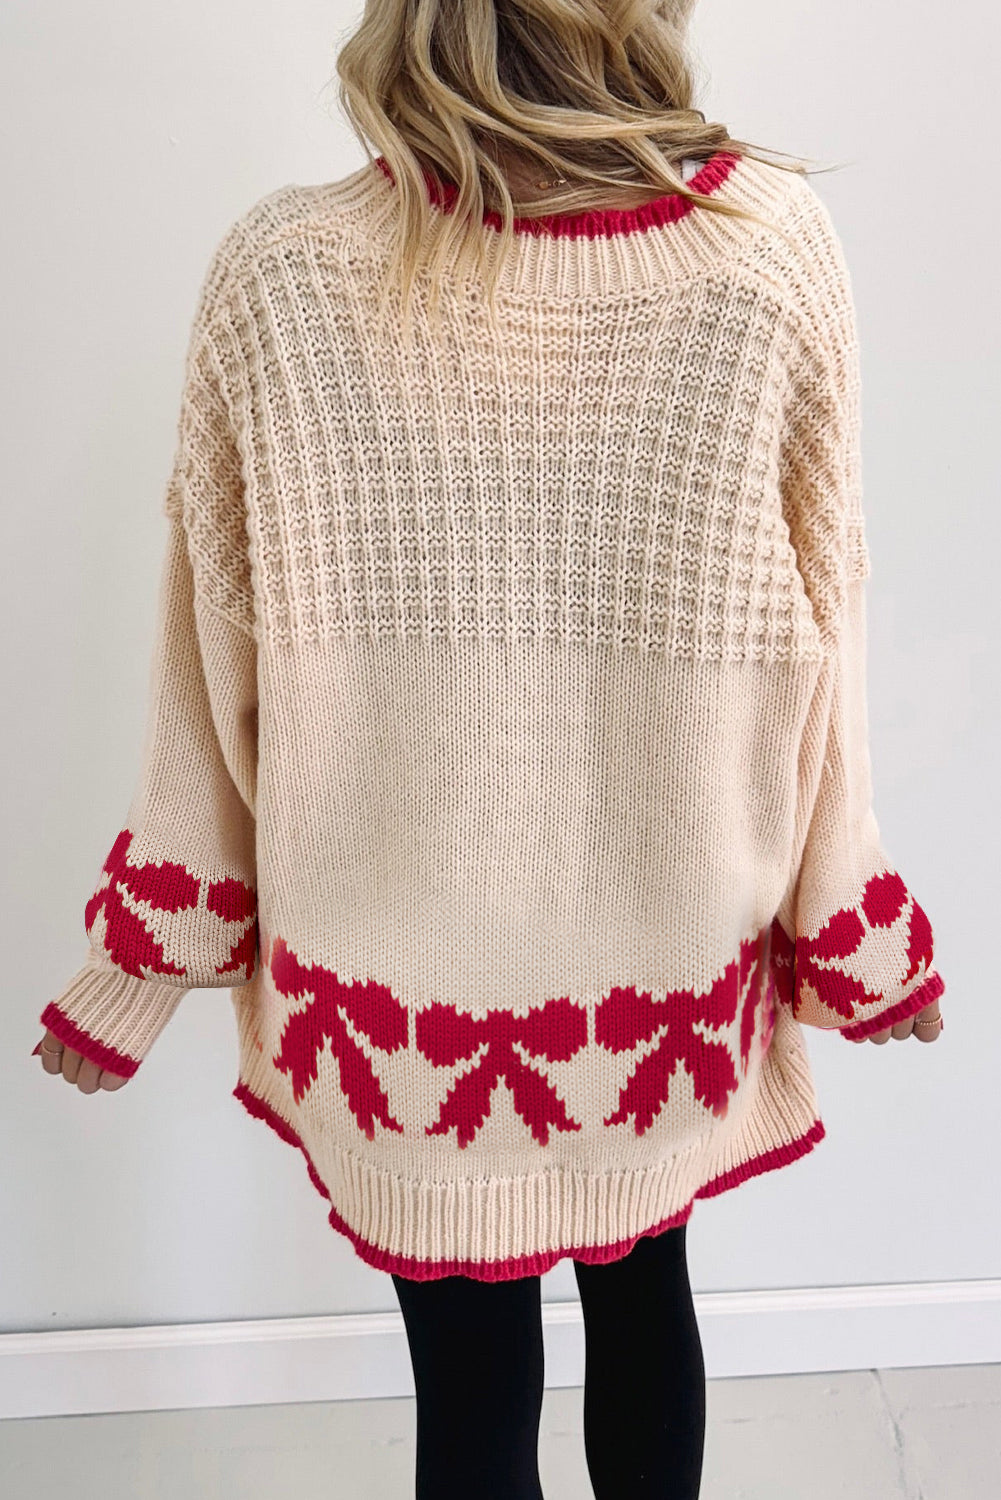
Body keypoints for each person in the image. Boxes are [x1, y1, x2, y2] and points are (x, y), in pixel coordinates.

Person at [34, 3, 945, 1495]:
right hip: (660, 970)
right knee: (645, 1310)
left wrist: (140, 958)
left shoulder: (281, 269)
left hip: (400, 1004)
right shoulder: (770, 248)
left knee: (467, 1390)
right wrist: (852, 925)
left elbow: (209, 655)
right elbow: (826, 629)